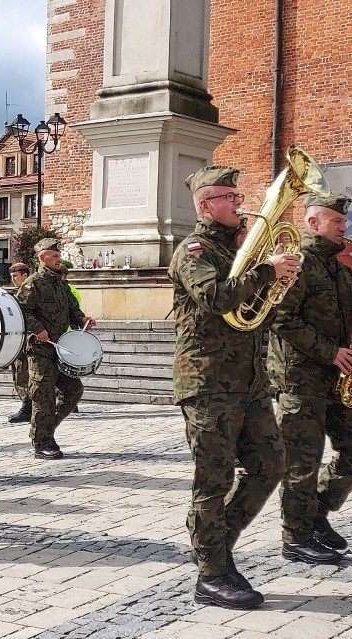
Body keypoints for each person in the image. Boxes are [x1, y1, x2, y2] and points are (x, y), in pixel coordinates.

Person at [169, 165, 301, 609]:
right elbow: (217, 299)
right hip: (207, 383)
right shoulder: (193, 251)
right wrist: (266, 271)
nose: (240, 202)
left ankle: (214, 542)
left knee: (270, 464)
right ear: (206, 204)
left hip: (249, 381)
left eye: (237, 194)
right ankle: (213, 572)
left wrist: (279, 280)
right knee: (214, 477)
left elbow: (256, 310)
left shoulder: (237, 249)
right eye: (229, 195)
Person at [268, 192, 352, 564]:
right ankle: (296, 537)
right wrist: (330, 351)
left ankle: (316, 513)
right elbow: (281, 320)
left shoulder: (337, 267)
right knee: (302, 462)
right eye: (337, 221)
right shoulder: (297, 263)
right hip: (301, 380)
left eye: (344, 221)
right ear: (313, 223)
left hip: (336, 380)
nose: (344, 227)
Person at [16, 239, 95, 460]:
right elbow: (21, 311)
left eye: (58, 255)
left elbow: (73, 310)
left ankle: (45, 431)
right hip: (41, 350)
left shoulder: (61, 284)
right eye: (54, 255)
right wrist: (38, 329)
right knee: (43, 396)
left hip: (62, 348)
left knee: (73, 391)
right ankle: (42, 442)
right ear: (42, 258)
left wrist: (83, 320)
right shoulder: (33, 283)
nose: (59, 258)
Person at [7, 262, 32, 423]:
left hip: (26, 339)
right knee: (18, 372)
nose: (13, 279)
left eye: (15, 276)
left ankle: (27, 408)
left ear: (24, 275)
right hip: (18, 339)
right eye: (11, 276)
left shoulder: (27, 290)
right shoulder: (19, 291)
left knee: (23, 373)